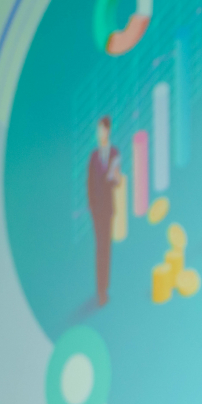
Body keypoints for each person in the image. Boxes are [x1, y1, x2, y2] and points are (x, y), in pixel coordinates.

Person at [86, 116, 122, 306]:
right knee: (99, 248)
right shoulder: (93, 156)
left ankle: (104, 288)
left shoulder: (114, 153)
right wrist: (91, 206)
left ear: (108, 131)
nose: (99, 133)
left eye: (102, 130)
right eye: (97, 130)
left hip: (108, 209)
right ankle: (99, 289)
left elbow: (118, 181)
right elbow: (89, 183)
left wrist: (116, 177)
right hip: (96, 210)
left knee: (105, 248)